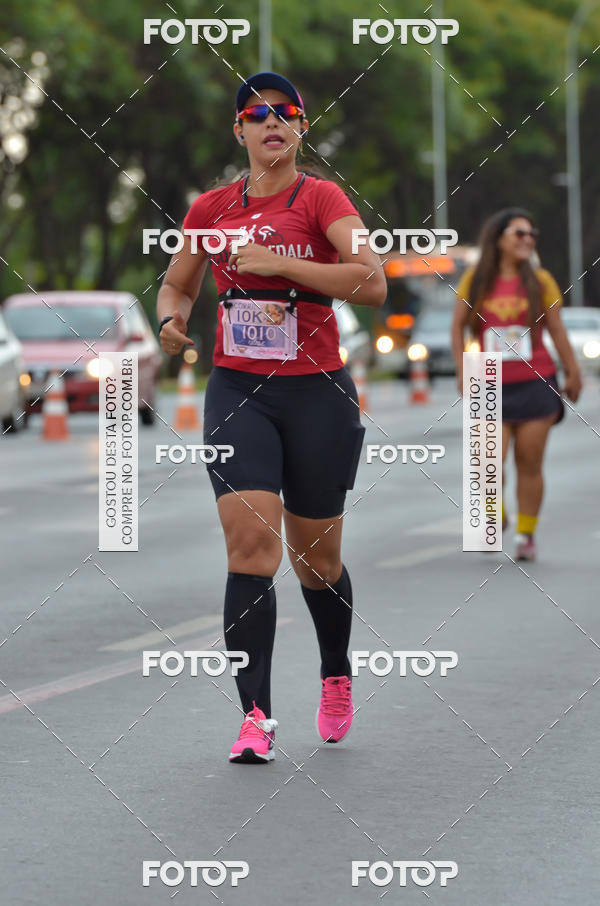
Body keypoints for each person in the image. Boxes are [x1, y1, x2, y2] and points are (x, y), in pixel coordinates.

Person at [155, 72, 386, 763]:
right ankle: (255, 716)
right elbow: (179, 281)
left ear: (301, 128)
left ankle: (336, 673)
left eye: (286, 113)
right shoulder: (210, 209)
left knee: (317, 560)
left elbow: (371, 281)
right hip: (239, 393)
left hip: (317, 392)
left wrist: (284, 264)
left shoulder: (320, 197)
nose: (272, 122)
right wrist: (170, 320)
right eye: (257, 115)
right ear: (240, 131)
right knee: (250, 546)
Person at [452, 208, 582, 561]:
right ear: (499, 239)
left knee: (529, 461)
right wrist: (462, 370)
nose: (527, 240)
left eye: (531, 235)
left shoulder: (541, 281)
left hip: (536, 382)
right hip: (488, 383)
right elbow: (458, 327)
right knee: (486, 463)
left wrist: (573, 370)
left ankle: (526, 533)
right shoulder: (475, 280)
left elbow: (556, 329)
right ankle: (497, 515)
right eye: (519, 234)